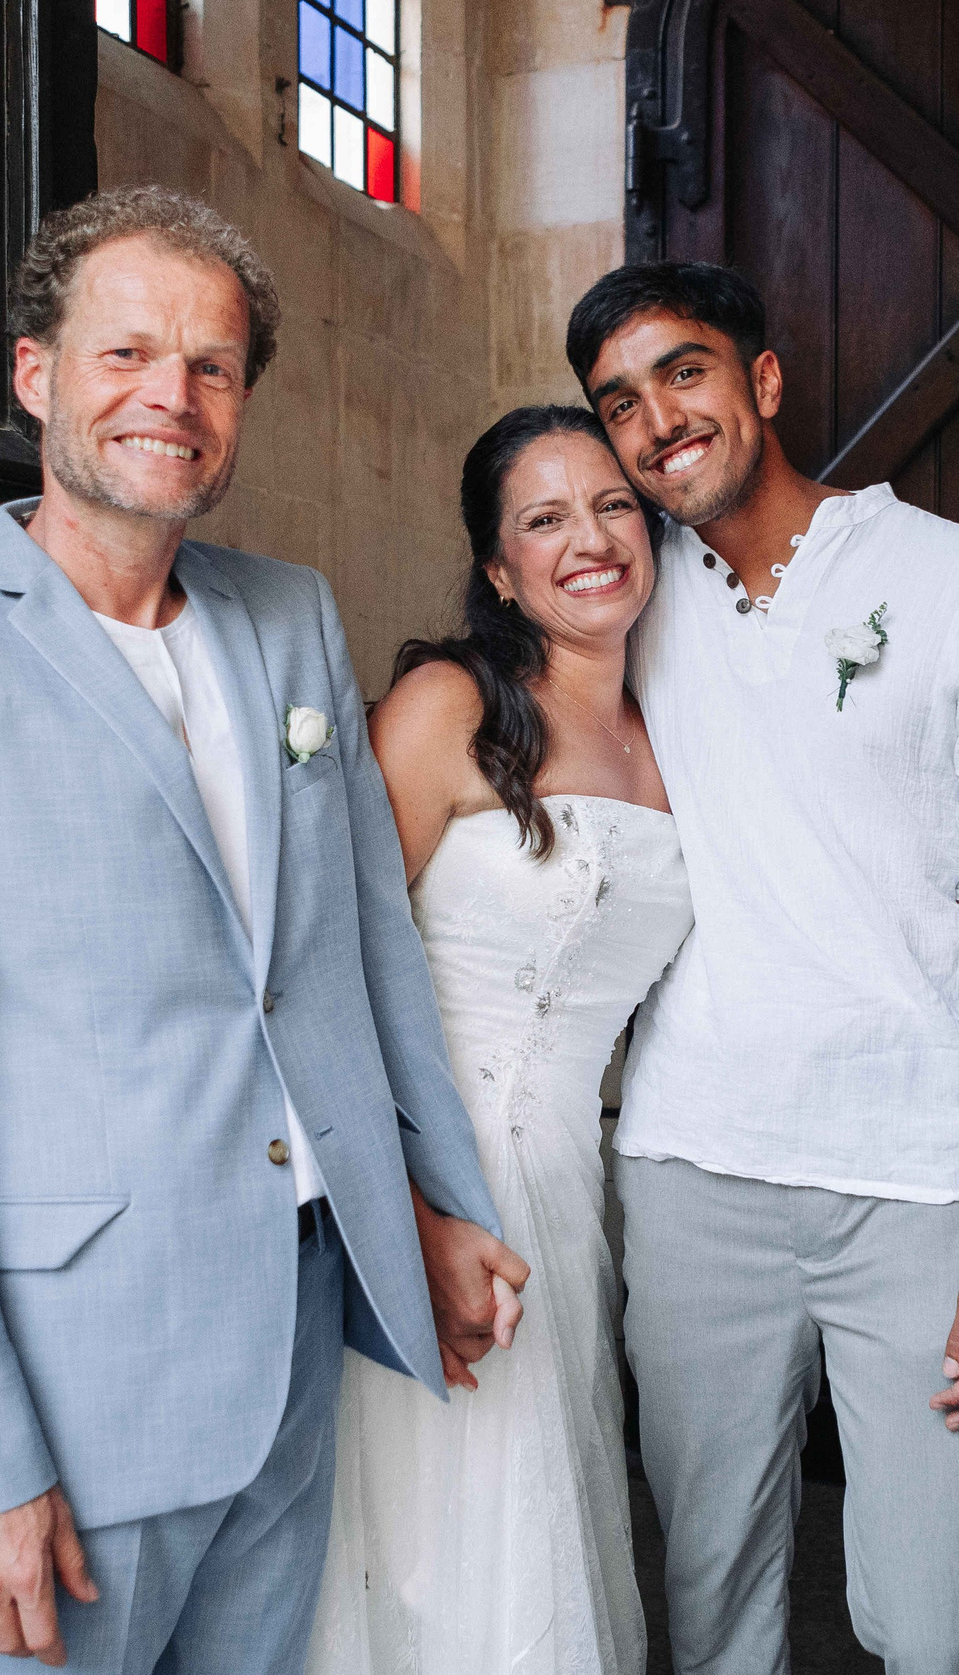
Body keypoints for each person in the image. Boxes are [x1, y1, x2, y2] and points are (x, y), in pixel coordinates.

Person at [0, 183, 527, 1674]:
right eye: (125, 354)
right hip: (72, 1388)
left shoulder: (292, 613)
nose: (168, 399)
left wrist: (432, 1206)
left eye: (211, 367)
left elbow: (360, 953)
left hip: (300, 1339)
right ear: (36, 372)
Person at [568, 261, 959, 1674]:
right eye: (617, 402)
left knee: (946, 1615)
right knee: (712, 1599)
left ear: (763, 380)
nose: (655, 420)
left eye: (683, 371)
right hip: (690, 1172)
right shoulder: (619, 607)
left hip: (926, 1181)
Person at [305, 406, 693, 1675]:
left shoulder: (680, 732)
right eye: (544, 519)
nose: (588, 540)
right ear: (495, 567)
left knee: (544, 1516)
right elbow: (327, 967)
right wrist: (414, 1208)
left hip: (573, 1184)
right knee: (426, 1527)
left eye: (613, 506)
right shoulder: (447, 705)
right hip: (433, 1165)